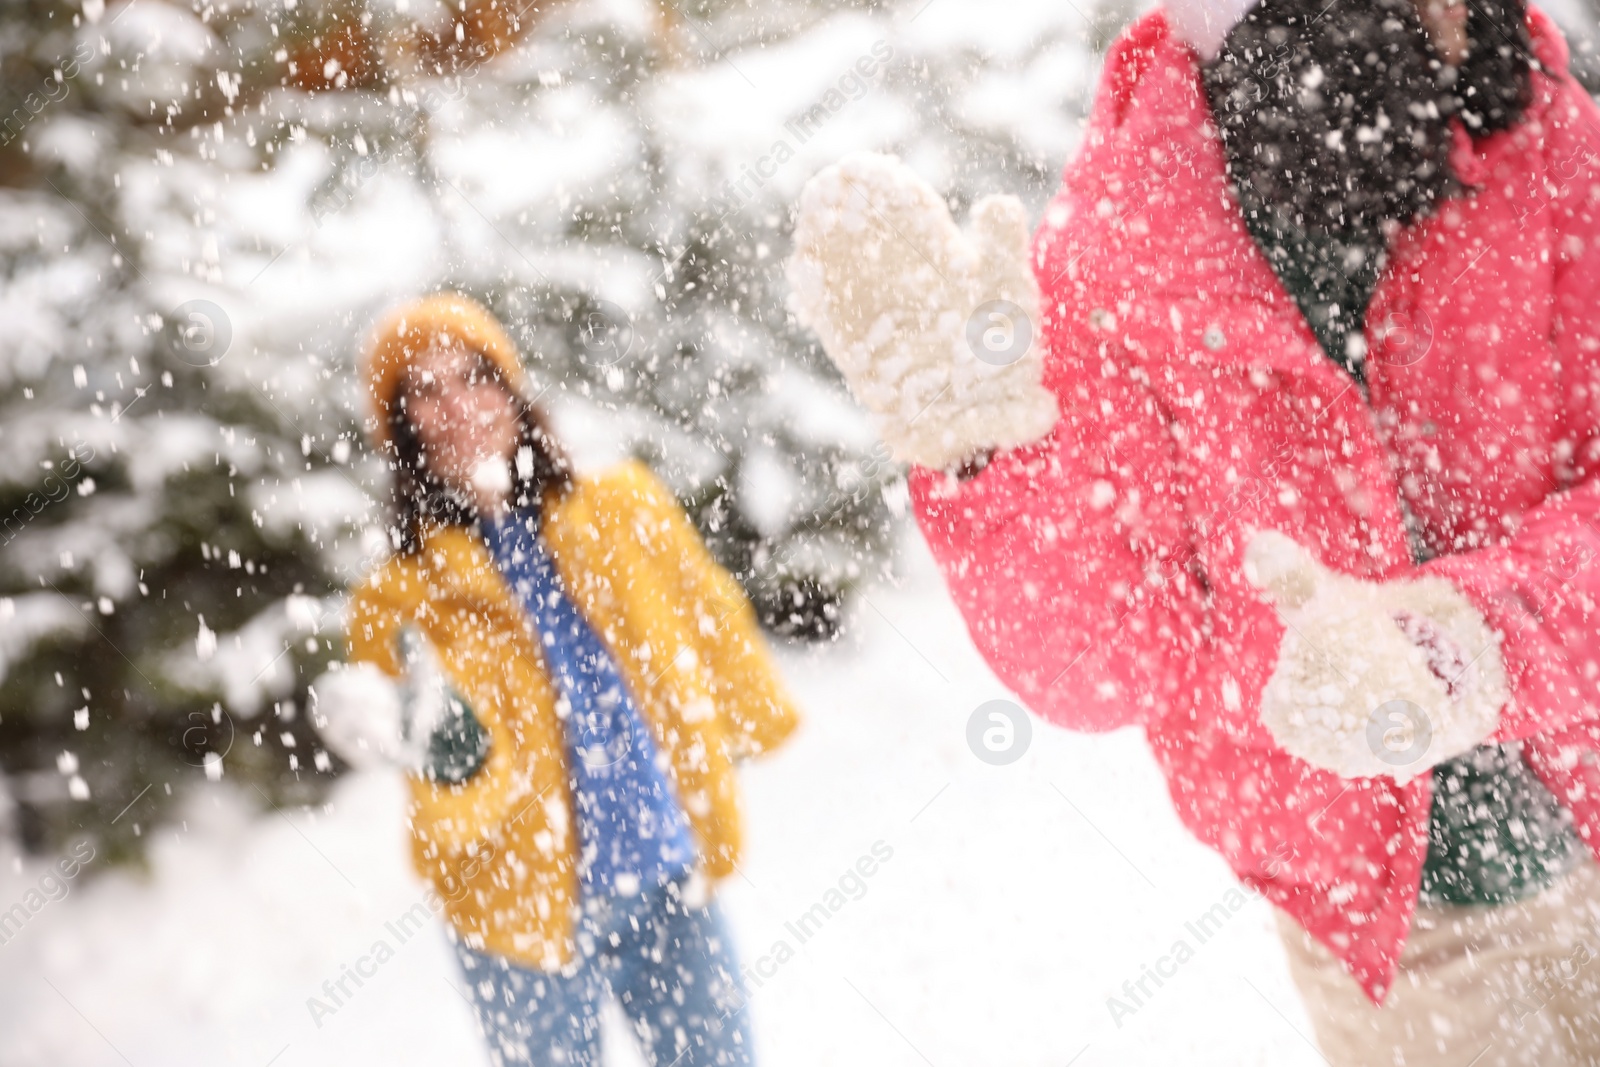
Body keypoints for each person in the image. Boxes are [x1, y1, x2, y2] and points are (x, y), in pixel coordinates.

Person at [787, 0, 1600, 1062]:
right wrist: (984, 460)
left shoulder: (1543, 134)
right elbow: (1105, 660)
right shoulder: (1133, 238)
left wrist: (1463, 636)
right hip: (1400, 922)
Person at [319, 292, 800, 1066]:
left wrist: (742, 732)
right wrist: (440, 755)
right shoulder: (397, 597)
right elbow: (434, 784)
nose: (457, 407)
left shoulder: (622, 506)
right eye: (426, 392)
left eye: (472, 376)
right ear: (404, 432)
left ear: (511, 390)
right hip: (517, 907)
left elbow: (712, 621)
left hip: (668, 871)